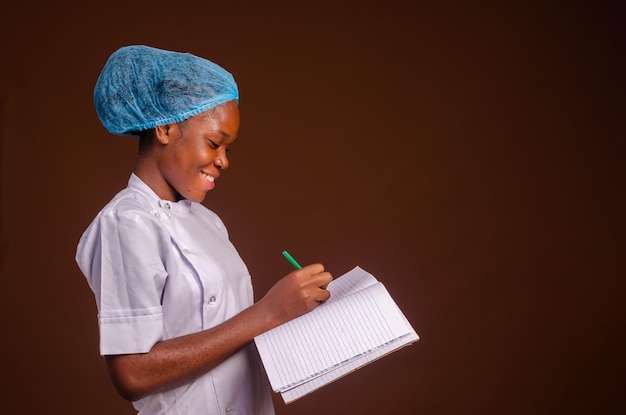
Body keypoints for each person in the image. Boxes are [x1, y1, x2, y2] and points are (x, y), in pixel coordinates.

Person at [75, 45, 333, 415]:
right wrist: (268, 312)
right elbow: (131, 373)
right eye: (215, 143)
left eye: (228, 148)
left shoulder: (207, 221)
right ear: (166, 128)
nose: (224, 160)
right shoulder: (126, 222)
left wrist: (294, 313)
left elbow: (231, 333)